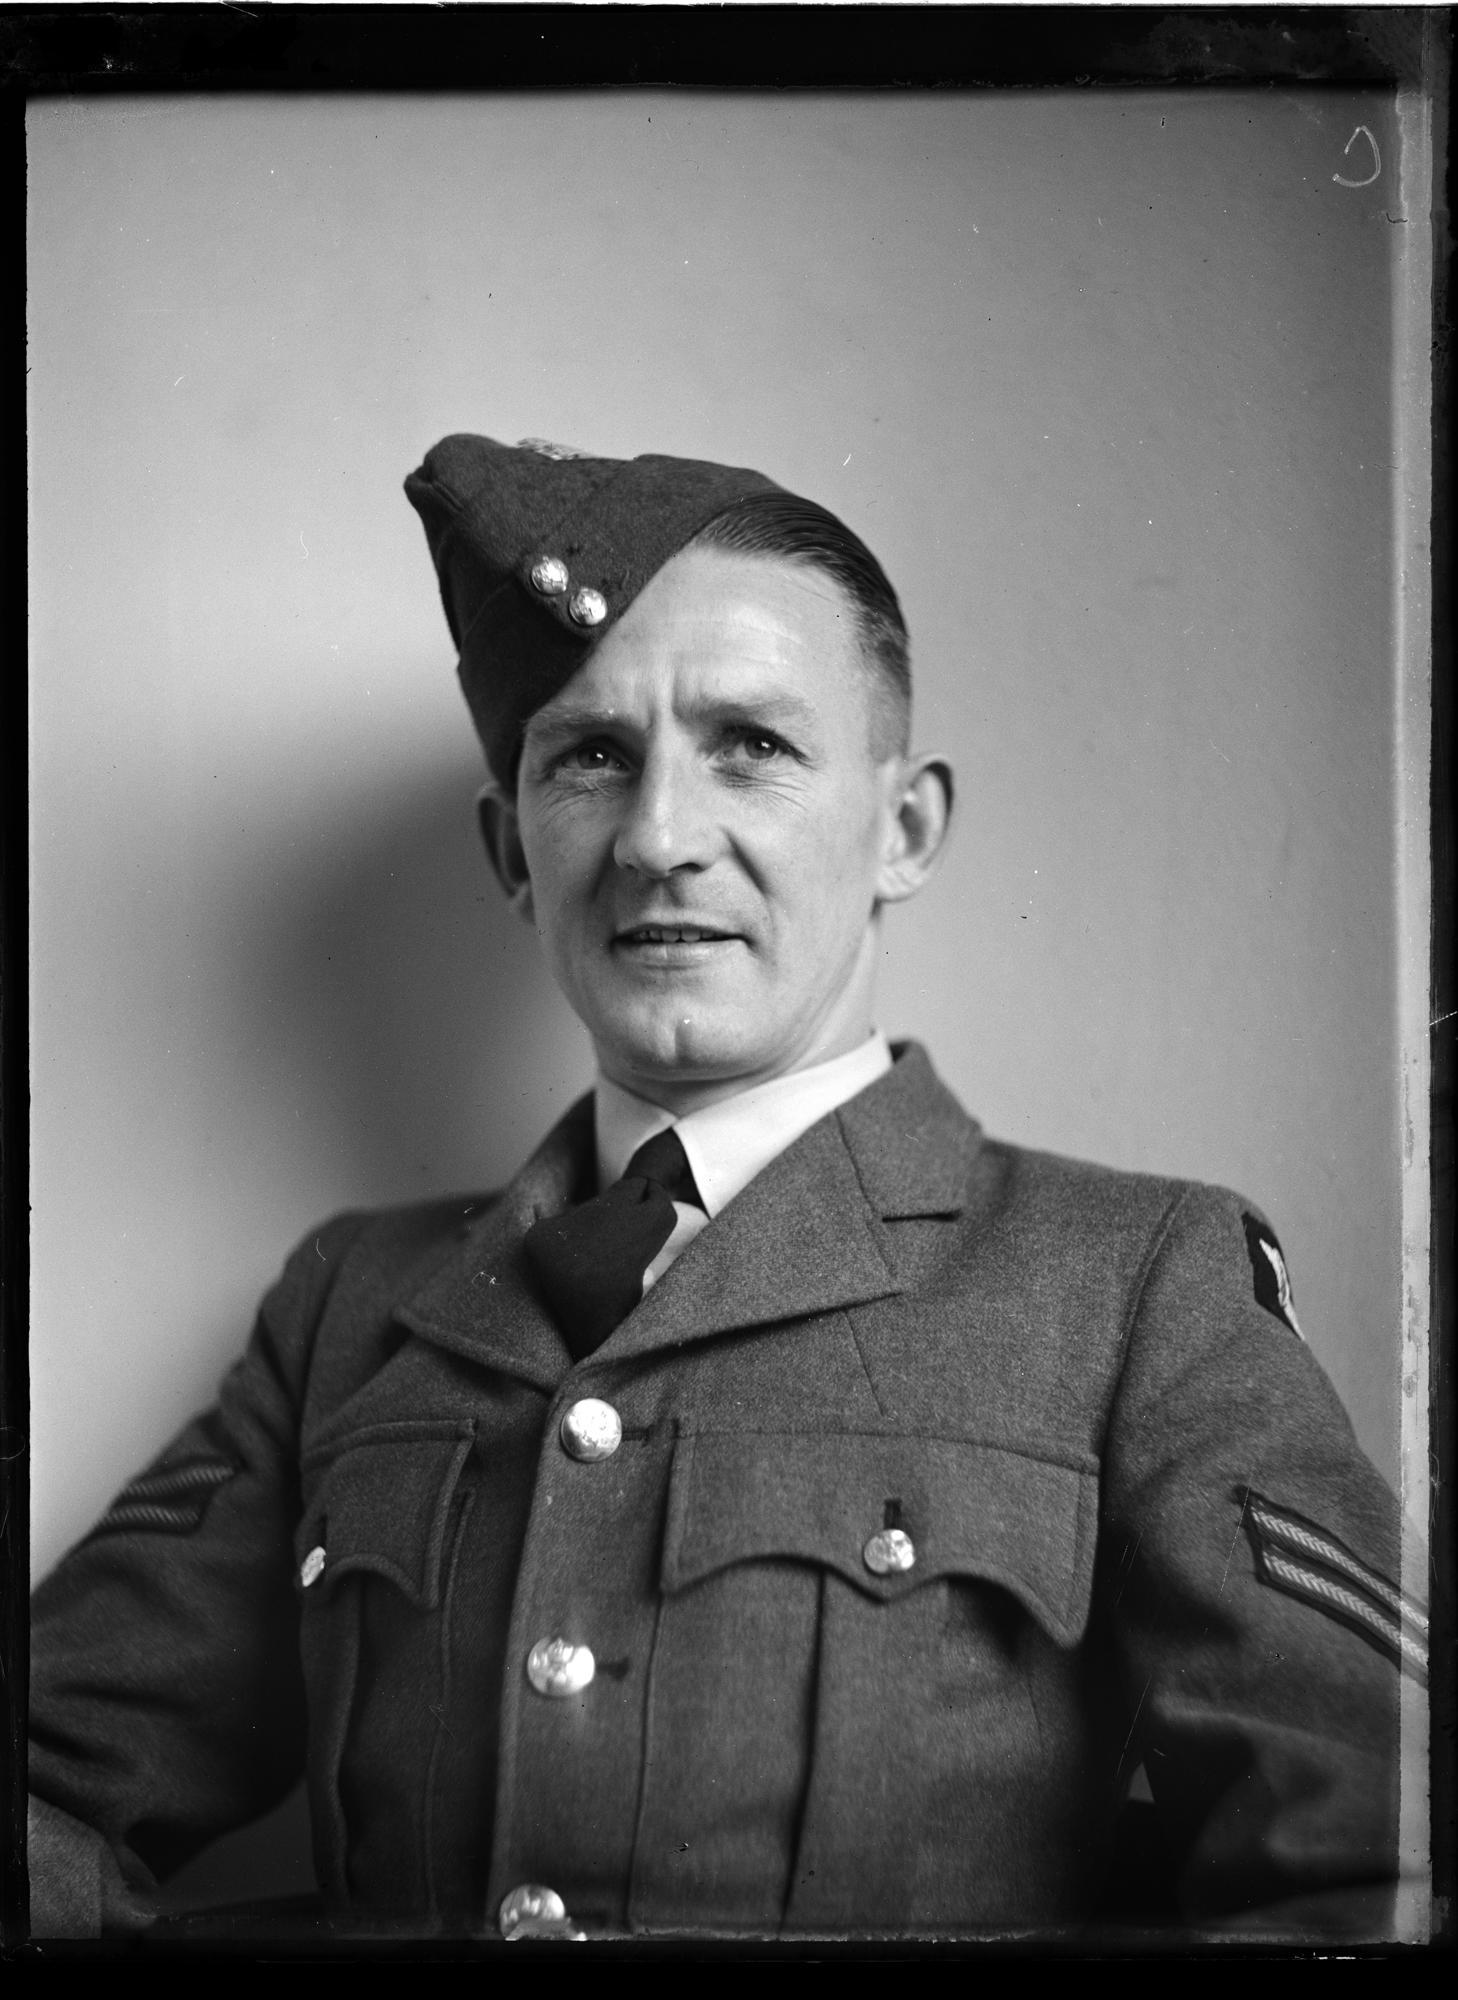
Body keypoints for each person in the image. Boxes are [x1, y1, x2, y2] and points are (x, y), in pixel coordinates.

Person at [28, 434, 1424, 1943]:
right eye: (590, 757)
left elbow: (1378, 1872)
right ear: (513, 851)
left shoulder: (1134, 1282)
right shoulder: (350, 1305)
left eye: (750, 744)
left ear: (903, 829)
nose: (659, 839)